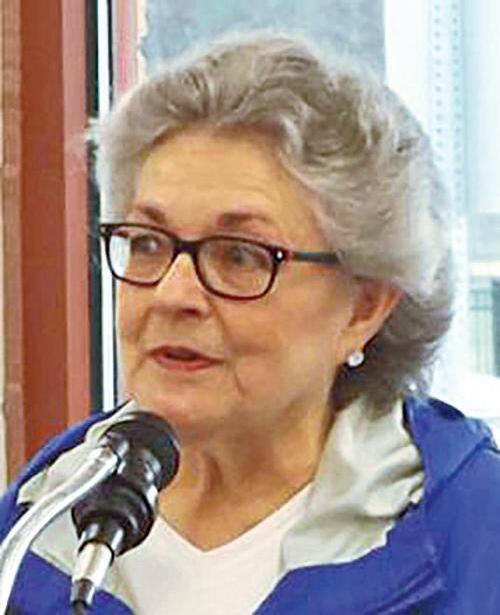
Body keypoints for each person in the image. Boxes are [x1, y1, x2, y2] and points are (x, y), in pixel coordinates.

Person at [1, 31, 500, 615]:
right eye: (146, 243)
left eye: (239, 255)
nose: (172, 294)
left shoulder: (475, 538)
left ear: (364, 308)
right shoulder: (37, 528)